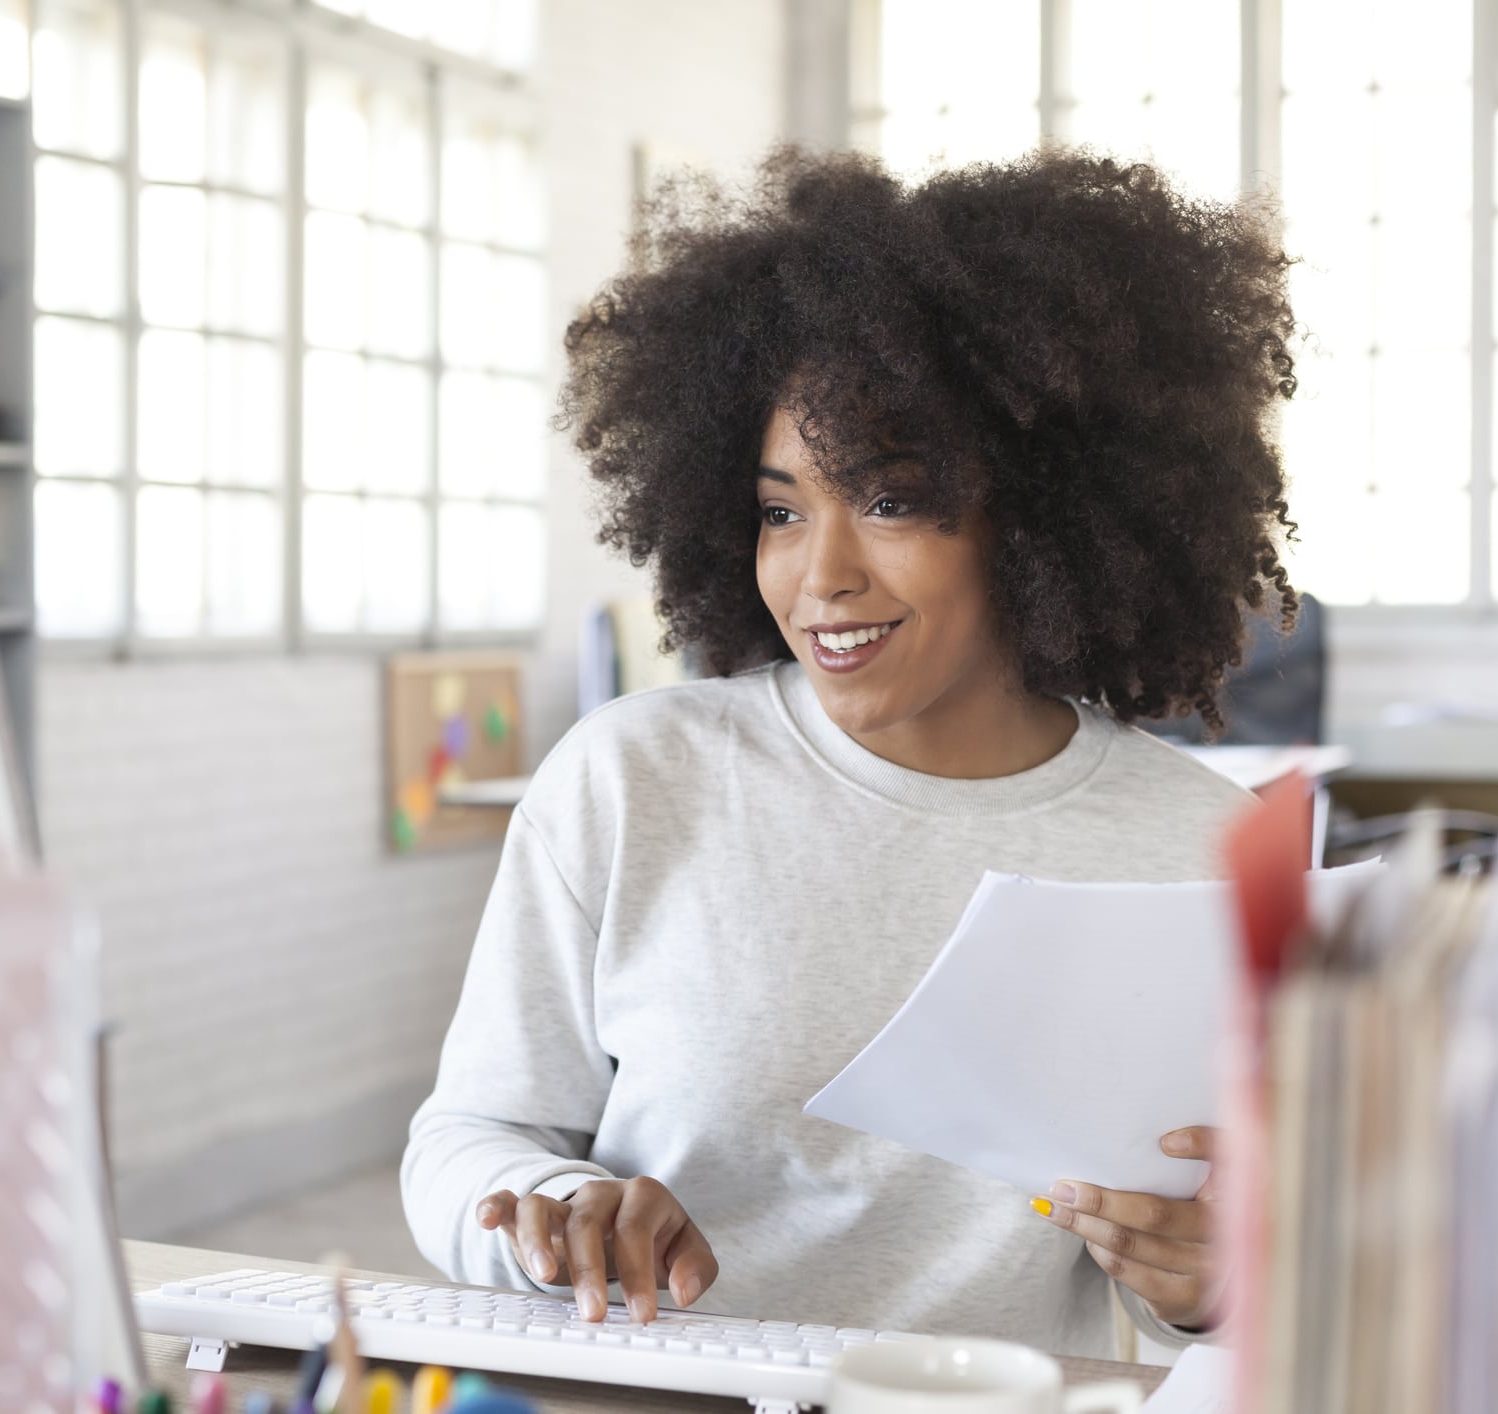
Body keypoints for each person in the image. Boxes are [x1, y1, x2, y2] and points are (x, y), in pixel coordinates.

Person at [400, 144, 1299, 1359]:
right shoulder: (632, 780)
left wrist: (1210, 1283)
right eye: (781, 510)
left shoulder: (1198, 845)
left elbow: (1224, 1259)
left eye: (889, 499)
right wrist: (555, 1213)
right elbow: (466, 1141)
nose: (818, 575)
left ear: (1043, 512)